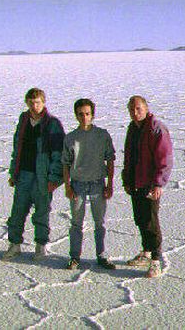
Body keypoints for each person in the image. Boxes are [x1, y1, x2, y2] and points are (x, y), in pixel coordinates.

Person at [2, 88, 65, 261]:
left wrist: (54, 178)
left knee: (41, 213)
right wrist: (14, 172)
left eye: (37, 102)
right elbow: (17, 148)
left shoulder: (52, 124)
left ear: (43, 102)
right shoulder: (23, 120)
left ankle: (40, 246)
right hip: (24, 175)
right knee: (17, 212)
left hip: (42, 177)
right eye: (30, 102)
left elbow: (58, 154)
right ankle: (14, 245)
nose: (34, 106)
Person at [122, 95, 173, 278]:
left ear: (146, 108)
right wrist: (126, 179)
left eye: (138, 109)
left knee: (151, 221)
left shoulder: (156, 129)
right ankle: (146, 252)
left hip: (150, 184)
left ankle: (156, 260)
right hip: (136, 182)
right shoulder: (133, 128)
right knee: (140, 219)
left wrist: (159, 183)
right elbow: (129, 156)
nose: (135, 113)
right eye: (131, 110)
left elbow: (164, 159)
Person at [62, 99, 116, 270]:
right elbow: (65, 163)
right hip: (78, 185)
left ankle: (101, 255)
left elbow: (110, 160)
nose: (84, 117)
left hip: (97, 184)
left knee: (100, 222)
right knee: (76, 223)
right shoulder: (71, 138)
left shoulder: (102, 135)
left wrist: (110, 184)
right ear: (76, 115)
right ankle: (74, 257)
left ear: (92, 114)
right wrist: (67, 186)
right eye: (80, 114)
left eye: (87, 114)